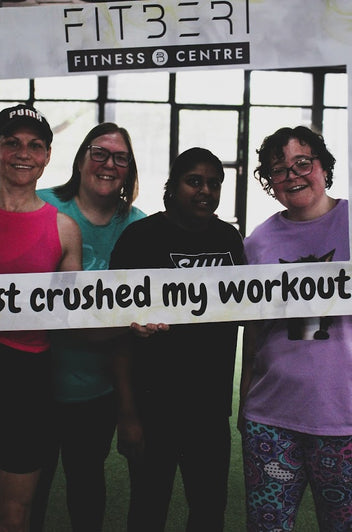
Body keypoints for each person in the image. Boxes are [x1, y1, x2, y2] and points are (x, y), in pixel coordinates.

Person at [0, 104, 82, 532]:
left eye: (35, 145)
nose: (23, 153)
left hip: (26, 371)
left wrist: (138, 314)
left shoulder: (63, 229)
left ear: (46, 156)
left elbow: (75, 309)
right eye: (12, 142)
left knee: (14, 515)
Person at [109, 147, 244, 532]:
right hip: (154, 409)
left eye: (214, 183)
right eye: (195, 181)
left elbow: (244, 313)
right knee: (148, 511)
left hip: (211, 409)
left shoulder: (229, 239)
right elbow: (118, 334)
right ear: (173, 186)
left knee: (208, 511)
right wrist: (128, 413)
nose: (206, 191)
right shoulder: (140, 238)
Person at [30, 122, 146, 532]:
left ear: (129, 170)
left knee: (86, 486)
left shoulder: (138, 226)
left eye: (120, 158)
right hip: (34, 378)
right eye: (99, 153)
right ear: (80, 160)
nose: (108, 164)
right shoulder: (39, 206)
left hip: (98, 385)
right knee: (29, 492)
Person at [239, 126, 352, 531]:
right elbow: (252, 334)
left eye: (303, 162)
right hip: (271, 417)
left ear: (324, 166)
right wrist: (243, 405)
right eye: (279, 169)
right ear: (270, 182)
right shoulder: (258, 244)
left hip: (345, 420)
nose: (293, 175)